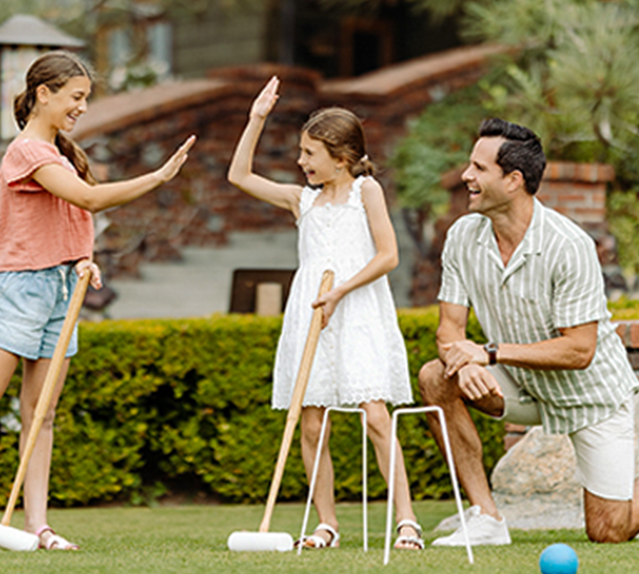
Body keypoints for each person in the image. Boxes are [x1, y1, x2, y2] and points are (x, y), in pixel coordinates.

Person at [0, 51, 196, 552]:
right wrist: (158, 177)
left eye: (85, 98)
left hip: (61, 286)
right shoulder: (25, 153)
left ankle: (38, 526)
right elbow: (89, 200)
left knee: (43, 412)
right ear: (44, 94)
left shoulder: (59, 154)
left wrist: (83, 257)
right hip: (18, 288)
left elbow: (68, 219)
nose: (82, 107)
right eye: (76, 97)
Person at [419, 117, 639, 546]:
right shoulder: (462, 235)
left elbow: (580, 350)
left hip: (591, 396)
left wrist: (489, 353)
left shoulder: (568, 245)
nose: (466, 176)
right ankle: (486, 518)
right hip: (518, 387)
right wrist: (458, 359)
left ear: (514, 180)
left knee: (609, 531)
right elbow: (449, 330)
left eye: (479, 169)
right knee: (434, 377)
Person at [227, 77, 422, 550]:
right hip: (311, 312)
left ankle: (408, 523)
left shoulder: (366, 191)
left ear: (341, 157)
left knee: (375, 416)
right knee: (312, 423)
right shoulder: (302, 199)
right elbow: (239, 176)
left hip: (356, 311)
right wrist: (256, 118)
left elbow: (388, 256)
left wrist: (342, 291)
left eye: (310, 154)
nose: (300, 162)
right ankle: (327, 523)